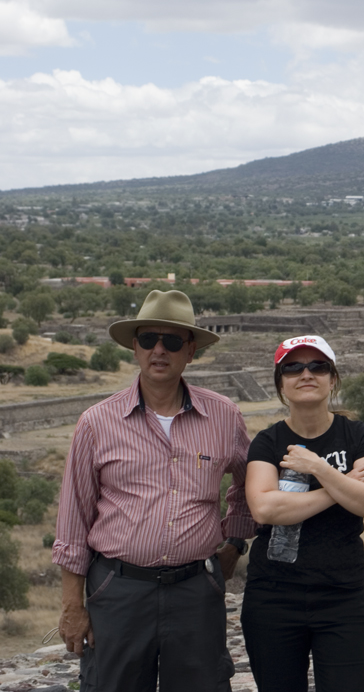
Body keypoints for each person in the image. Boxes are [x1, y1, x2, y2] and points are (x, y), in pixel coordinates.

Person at [53, 289, 256, 692]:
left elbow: (248, 481)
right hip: (120, 590)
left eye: (172, 341)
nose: (159, 350)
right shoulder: (98, 422)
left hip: (196, 591)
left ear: (190, 351)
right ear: (135, 347)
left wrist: (234, 542)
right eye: (148, 339)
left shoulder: (223, 416)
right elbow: (73, 519)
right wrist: (73, 606)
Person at [241, 335, 364, 692]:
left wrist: (319, 468)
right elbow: (266, 508)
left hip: (341, 594)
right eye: (293, 367)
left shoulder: (357, 436)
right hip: (273, 596)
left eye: (318, 366)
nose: (306, 374)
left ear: (332, 378)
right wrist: (342, 485)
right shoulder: (268, 441)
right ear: (281, 384)